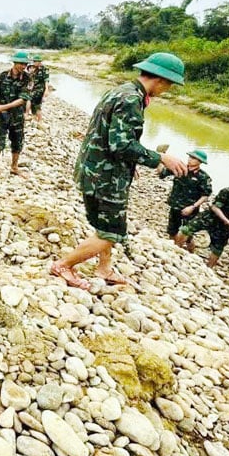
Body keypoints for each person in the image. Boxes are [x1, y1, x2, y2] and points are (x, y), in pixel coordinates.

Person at [50, 53, 188, 290]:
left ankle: (103, 268)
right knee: (110, 232)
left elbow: (109, 137)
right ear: (161, 81)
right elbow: (122, 145)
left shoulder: (122, 90)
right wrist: (161, 158)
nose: (167, 90)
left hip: (96, 169)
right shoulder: (131, 100)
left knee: (105, 224)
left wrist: (129, 165)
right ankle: (63, 265)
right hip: (105, 178)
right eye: (169, 86)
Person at [176, 177, 229, 267]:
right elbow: (215, 207)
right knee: (186, 230)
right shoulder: (228, 191)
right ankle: (177, 253)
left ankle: (208, 269)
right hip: (210, 217)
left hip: (226, 226)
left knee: (218, 248)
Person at [0, 50, 31, 176]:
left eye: (25, 64)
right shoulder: (2, 76)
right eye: (21, 64)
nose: (23, 67)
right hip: (2, 116)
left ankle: (14, 167)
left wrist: (2, 107)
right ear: (14, 63)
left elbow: (22, 99)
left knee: (17, 141)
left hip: (17, 115)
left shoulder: (28, 78)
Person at [156, 149, 212, 239]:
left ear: (200, 162)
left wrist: (193, 207)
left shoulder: (203, 177)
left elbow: (206, 195)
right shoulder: (180, 168)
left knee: (187, 237)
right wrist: (160, 158)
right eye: (190, 157)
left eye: (193, 158)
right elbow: (161, 173)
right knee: (172, 232)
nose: (190, 159)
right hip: (175, 206)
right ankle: (174, 250)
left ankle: (189, 252)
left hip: (190, 210)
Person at [28, 54, 50, 121]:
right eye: (34, 61)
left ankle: (40, 120)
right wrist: (30, 73)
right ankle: (34, 117)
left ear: (39, 62)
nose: (34, 63)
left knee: (37, 104)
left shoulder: (44, 69)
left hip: (40, 89)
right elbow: (31, 79)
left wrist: (46, 90)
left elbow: (46, 80)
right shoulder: (33, 68)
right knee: (32, 102)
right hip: (33, 88)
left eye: (35, 61)